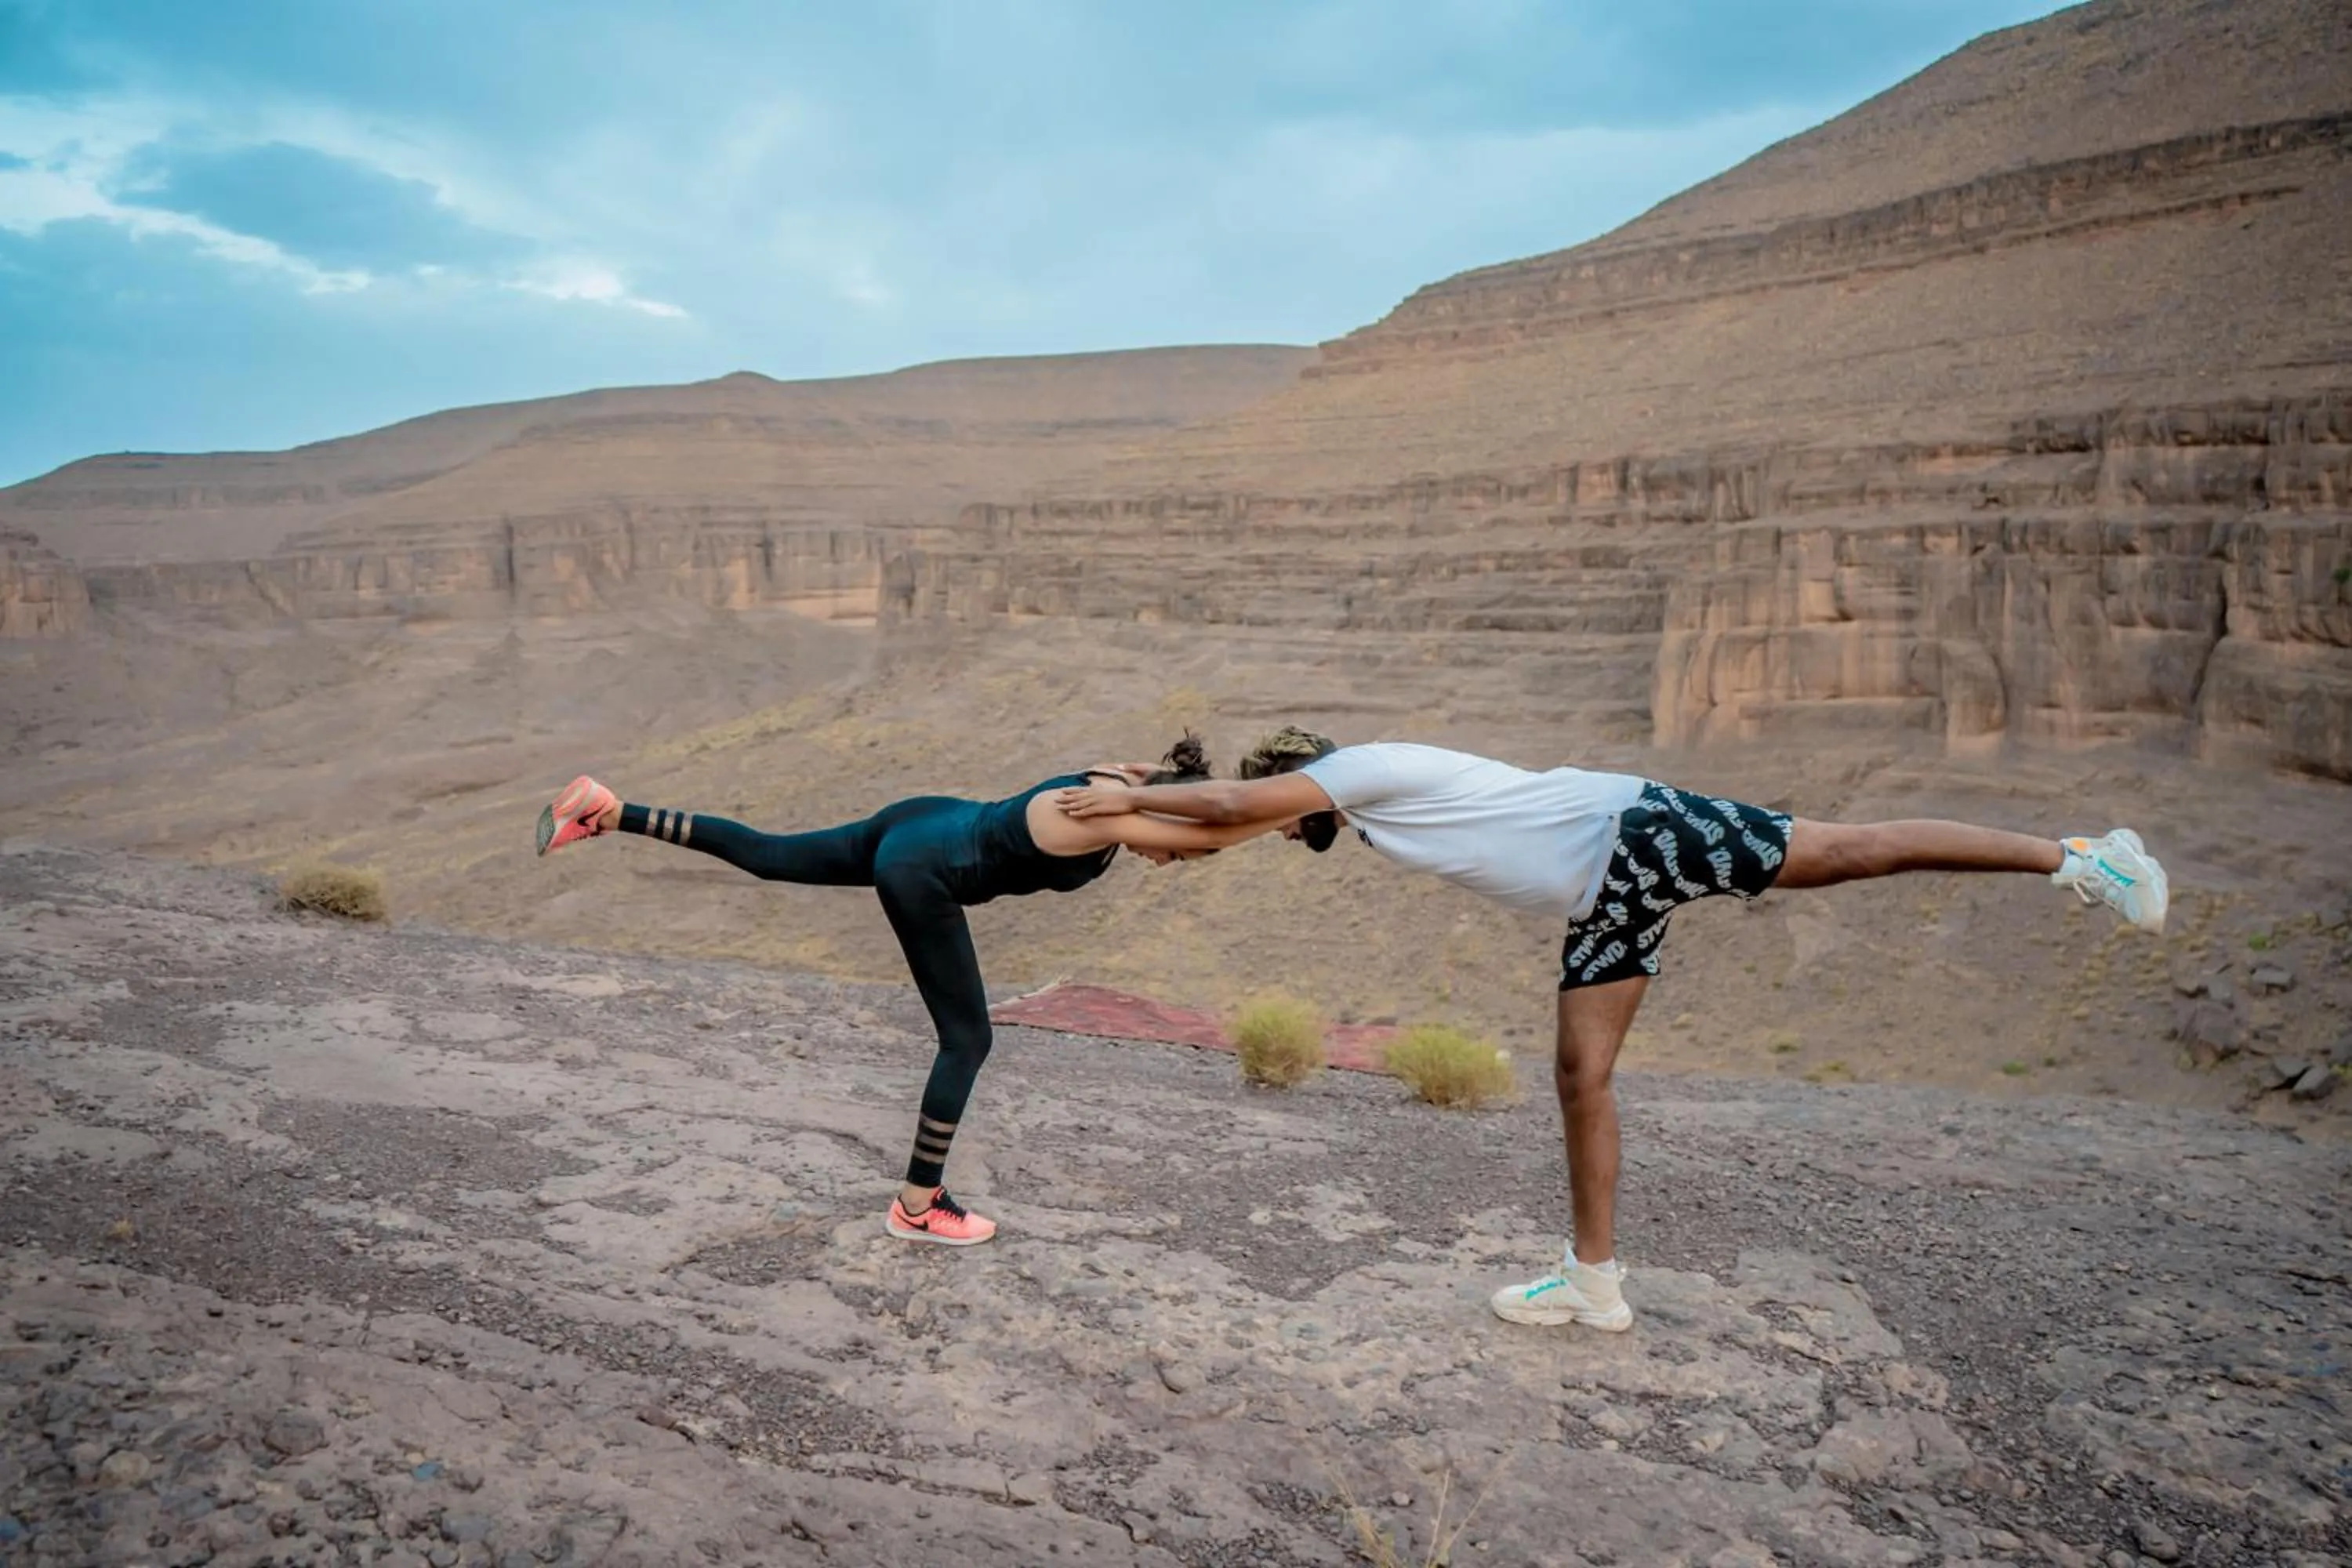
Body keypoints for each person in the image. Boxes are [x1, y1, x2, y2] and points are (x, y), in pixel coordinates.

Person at [1055, 728, 2168, 1331]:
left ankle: (2079, 858)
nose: (1287, 822)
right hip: (1608, 892)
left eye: (1284, 802)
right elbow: (1210, 836)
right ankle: (1594, 1283)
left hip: (1637, 825)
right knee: (1581, 1076)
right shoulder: (1356, 811)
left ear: (1302, 777)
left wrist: (1114, 805)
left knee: (1852, 851)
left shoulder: (1361, 771)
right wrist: (1130, 808)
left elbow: (1231, 813)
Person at [535, 734, 1269, 1246]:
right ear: (1162, 820)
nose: (1168, 862)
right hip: (925, 873)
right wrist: (1296, 808)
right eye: (1171, 852)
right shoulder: (1105, 818)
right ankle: (918, 1205)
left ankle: (608, 810)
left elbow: (1179, 797)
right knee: (968, 1039)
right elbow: (1216, 828)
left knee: (770, 854)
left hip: (921, 818)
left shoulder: (1116, 781)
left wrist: (1174, 792)